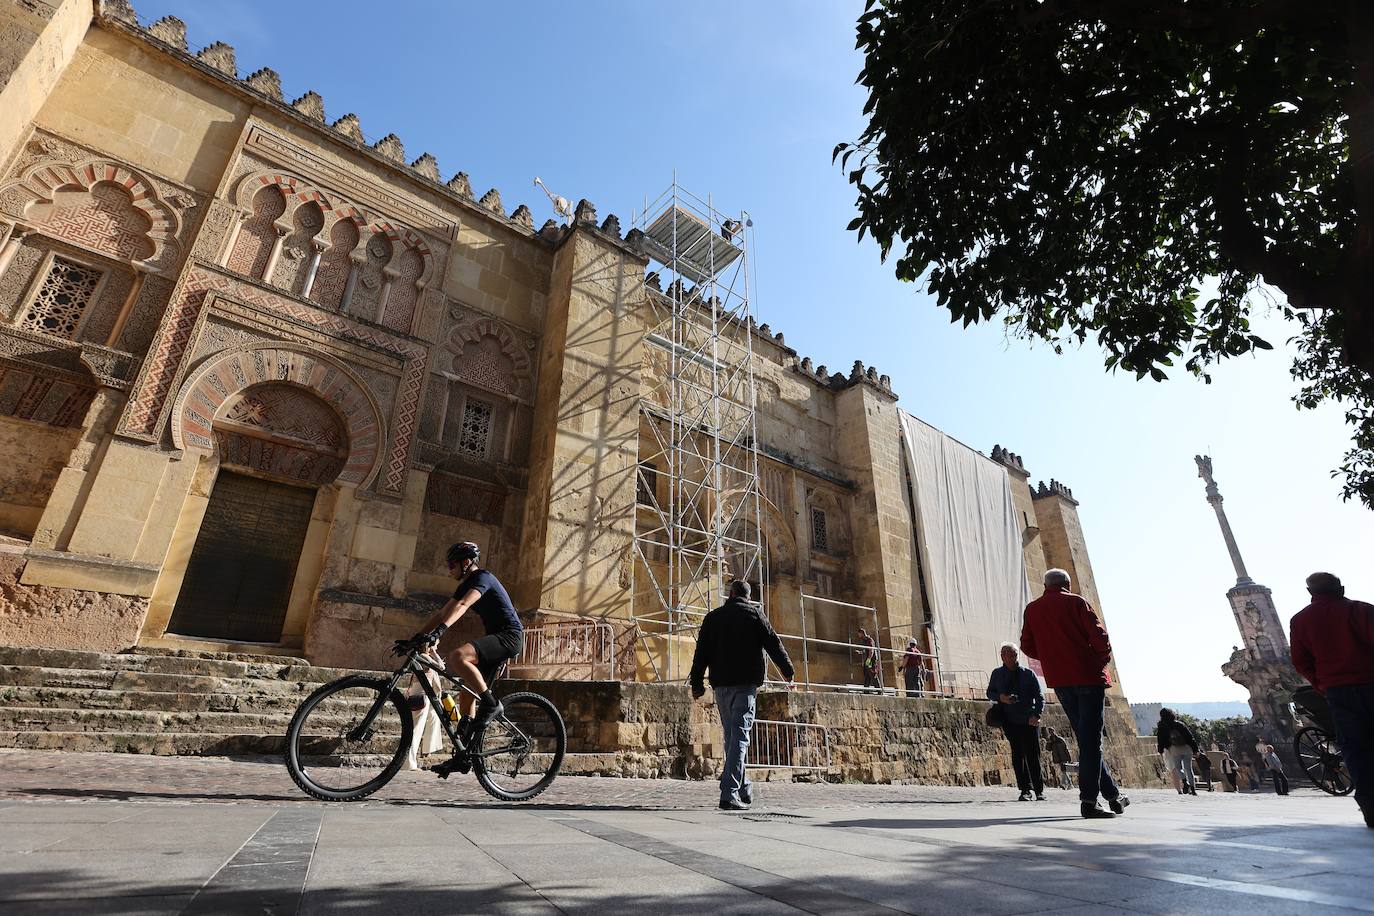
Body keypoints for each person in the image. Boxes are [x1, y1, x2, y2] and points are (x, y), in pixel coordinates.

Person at [405, 541, 524, 778]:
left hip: (509, 636)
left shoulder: (483, 578)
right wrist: (416, 638)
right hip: (496, 637)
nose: (449, 570)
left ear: (466, 562)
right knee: (467, 695)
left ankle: (491, 703)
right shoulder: (465, 583)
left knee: (458, 656)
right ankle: (462, 757)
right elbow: (442, 613)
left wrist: (440, 632)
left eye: (451, 564)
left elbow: (463, 604)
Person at [1020, 568, 1129, 819]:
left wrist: (1052, 658)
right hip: (1087, 678)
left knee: (1087, 739)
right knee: (1091, 741)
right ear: (1067, 584)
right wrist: (1097, 662)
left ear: (1046, 585)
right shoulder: (1077, 602)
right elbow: (1101, 639)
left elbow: (1027, 645)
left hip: (1061, 681)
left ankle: (1113, 796)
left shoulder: (1033, 609)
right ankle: (1089, 801)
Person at [690, 580, 795, 811]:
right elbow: (774, 644)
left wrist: (696, 683)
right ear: (748, 597)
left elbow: (701, 653)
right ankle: (729, 792)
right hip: (745, 685)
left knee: (733, 737)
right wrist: (788, 672)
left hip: (721, 686)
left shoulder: (713, 617)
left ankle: (744, 786)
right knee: (740, 737)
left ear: (730, 594)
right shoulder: (755, 615)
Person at [1290, 571, 1374, 829]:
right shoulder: (1362, 611)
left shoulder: (1301, 621)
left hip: (1337, 691)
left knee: (1355, 748)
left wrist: (1322, 684)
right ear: (1341, 588)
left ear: (1310, 593)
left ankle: (1371, 807)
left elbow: (1301, 661)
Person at [987, 643, 1046, 801]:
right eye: (1007, 654)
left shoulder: (1028, 674)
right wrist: (1002, 698)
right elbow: (990, 692)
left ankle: (1039, 790)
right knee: (1018, 755)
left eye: (1014, 654)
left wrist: (1037, 714)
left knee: (1033, 755)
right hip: (1010, 720)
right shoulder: (997, 674)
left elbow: (1040, 697)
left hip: (1029, 720)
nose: (1012, 657)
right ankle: (1024, 789)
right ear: (1002, 657)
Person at [1155, 708, 1199, 796]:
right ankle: (1193, 789)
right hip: (1186, 748)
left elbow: (1160, 739)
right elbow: (1189, 736)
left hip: (1174, 749)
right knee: (1189, 769)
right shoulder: (1179, 724)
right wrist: (1195, 749)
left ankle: (1184, 782)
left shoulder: (1162, 726)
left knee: (1178, 768)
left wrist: (1160, 750)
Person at [858, 628, 881, 692]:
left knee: (872, 674)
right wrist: (861, 652)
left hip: (871, 660)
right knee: (867, 675)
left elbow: (871, 650)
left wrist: (869, 659)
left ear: (862, 633)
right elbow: (866, 650)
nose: (859, 636)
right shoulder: (864, 640)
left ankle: (879, 690)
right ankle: (866, 690)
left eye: (859, 634)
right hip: (868, 659)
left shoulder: (869, 640)